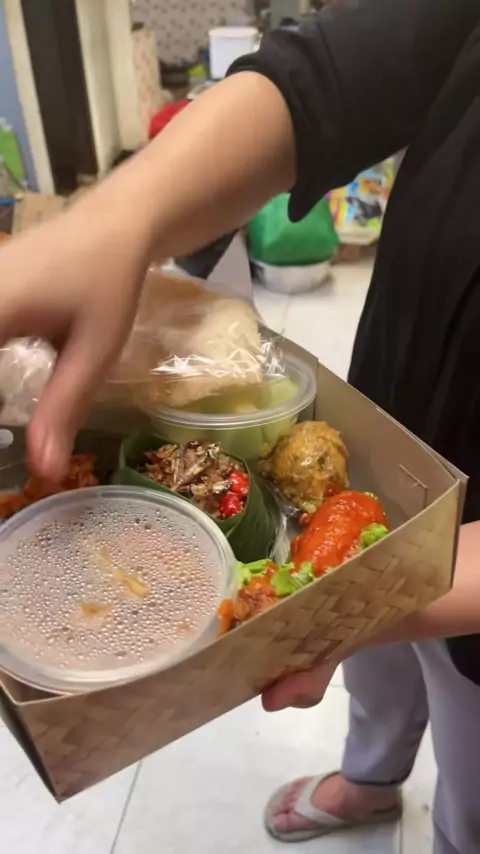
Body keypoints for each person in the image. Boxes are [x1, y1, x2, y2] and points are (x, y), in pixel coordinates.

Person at [0, 1, 479, 850]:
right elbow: (328, 80)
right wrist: (120, 218)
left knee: (469, 782)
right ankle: (370, 780)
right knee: (377, 683)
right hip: (394, 436)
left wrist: (362, 601)